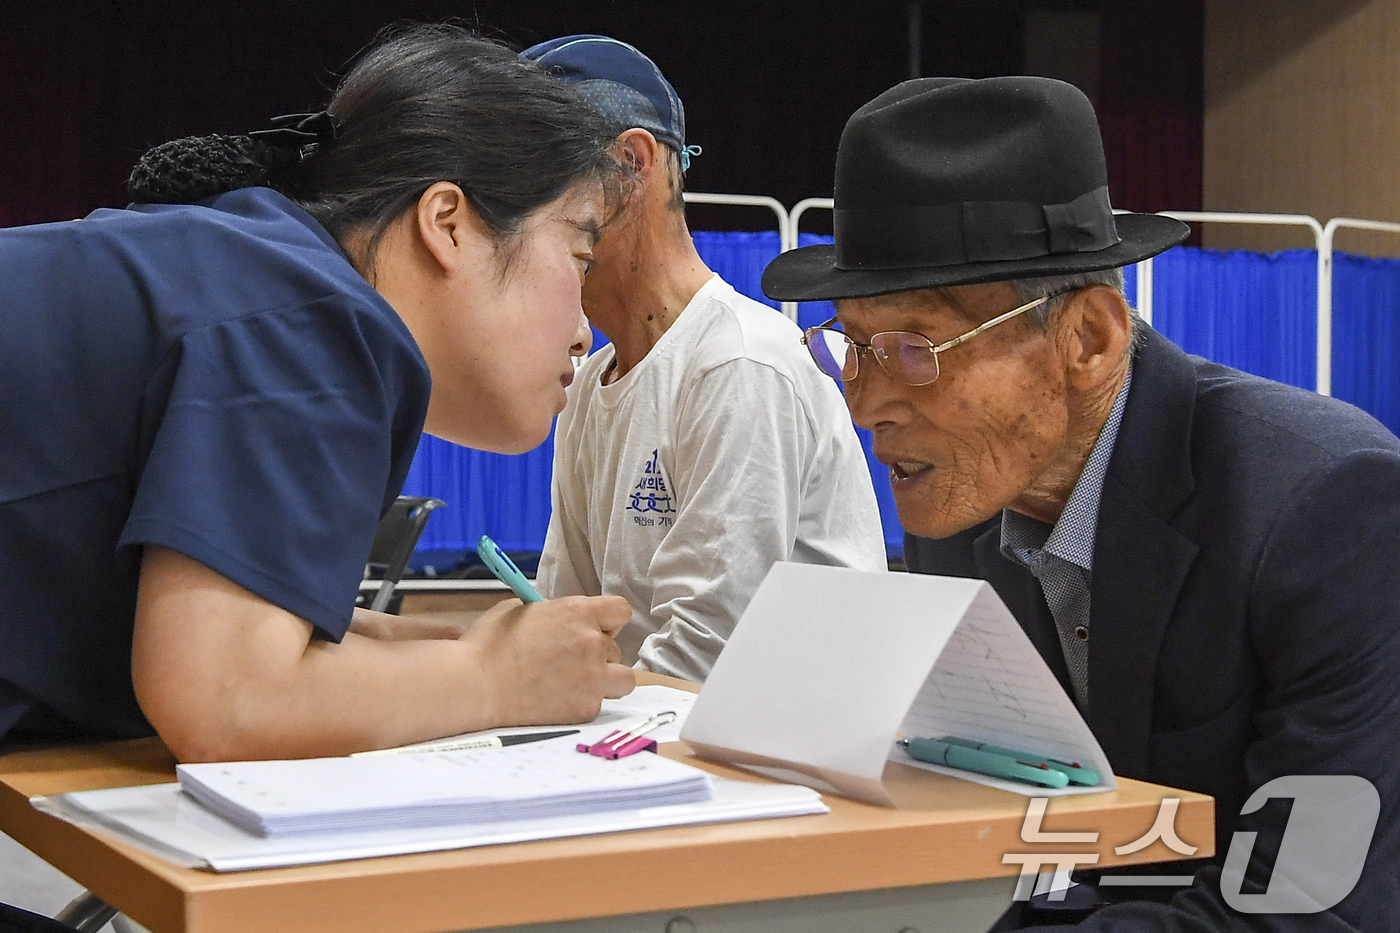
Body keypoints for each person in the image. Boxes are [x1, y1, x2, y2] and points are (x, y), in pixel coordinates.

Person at [762, 76, 1399, 930]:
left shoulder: (1321, 507)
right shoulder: (965, 514)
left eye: (914, 347)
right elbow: (1032, 850)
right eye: (850, 343)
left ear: (1087, 339)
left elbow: (1307, 899)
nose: (864, 399)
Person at [0, 24, 637, 764]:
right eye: (579, 257)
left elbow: (224, 629)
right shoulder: (314, 322)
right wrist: (495, 675)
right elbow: (226, 697)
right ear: (449, 224)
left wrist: (443, 650)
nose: (585, 332)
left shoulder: (252, 270)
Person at [523, 36, 886, 682]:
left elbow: (703, 665)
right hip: (669, 754)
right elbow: (561, 626)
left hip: (784, 768)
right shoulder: (586, 392)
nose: (506, 224)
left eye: (524, 185)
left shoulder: (740, 365)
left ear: (632, 165)